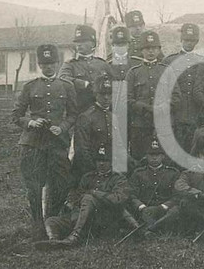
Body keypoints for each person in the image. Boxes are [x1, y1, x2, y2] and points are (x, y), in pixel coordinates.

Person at [11, 44, 77, 240]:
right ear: (39, 64)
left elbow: (73, 114)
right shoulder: (30, 87)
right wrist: (31, 122)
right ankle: (38, 225)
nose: (48, 67)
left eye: (51, 63)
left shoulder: (67, 86)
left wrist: (63, 127)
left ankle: (54, 222)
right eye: (44, 63)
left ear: (57, 64)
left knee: (60, 183)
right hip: (34, 143)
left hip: (57, 143)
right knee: (34, 185)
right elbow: (16, 115)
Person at [40, 144, 134, 248]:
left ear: (111, 162)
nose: (101, 164)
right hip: (80, 217)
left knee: (88, 198)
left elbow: (118, 199)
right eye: (98, 160)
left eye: (105, 161)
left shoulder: (118, 179)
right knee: (51, 221)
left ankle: (74, 237)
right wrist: (72, 203)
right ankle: (54, 241)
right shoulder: (88, 177)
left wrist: (95, 193)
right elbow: (78, 197)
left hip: (102, 220)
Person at [163, 23, 204, 152]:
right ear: (181, 40)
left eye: (192, 40)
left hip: (195, 112)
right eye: (186, 40)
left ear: (197, 41)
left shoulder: (202, 61)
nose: (189, 43)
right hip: (176, 112)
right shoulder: (169, 61)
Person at [126, 30, 168, 161]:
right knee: (139, 159)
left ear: (159, 50)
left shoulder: (166, 70)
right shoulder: (133, 73)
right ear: (141, 50)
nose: (151, 52)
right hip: (139, 126)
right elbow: (126, 99)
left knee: (162, 160)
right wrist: (145, 108)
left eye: (154, 48)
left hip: (161, 125)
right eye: (147, 48)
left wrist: (162, 108)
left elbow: (176, 97)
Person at [127, 137, 181, 236]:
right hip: (145, 209)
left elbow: (177, 195)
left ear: (163, 156)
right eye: (151, 155)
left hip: (165, 210)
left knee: (176, 211)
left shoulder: (173, 173)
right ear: (146, 156)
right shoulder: (138, 173)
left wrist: (164, 207)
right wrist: (142, 207)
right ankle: (155, 230)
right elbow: (131, 195)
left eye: (157, 155)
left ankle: (149, 229)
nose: (154, 158)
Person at [59, 24, 112, 113]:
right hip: (79, 111)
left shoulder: (102, 64)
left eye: (83, 41)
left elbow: (113, 84)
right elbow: (62, 78)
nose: (79, 45)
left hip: (101, 113)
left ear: (92, 43)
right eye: (77, 42)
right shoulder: (70, 64)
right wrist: (84, 84)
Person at [72, 72, 114, 180]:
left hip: (109, 170)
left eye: (109, 94)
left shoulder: (113, 117)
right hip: (89, 172)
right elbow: (82, 151)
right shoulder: (86, 117)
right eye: (102, 94)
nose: (106, 98)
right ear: (95, 95)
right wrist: (95, 172)